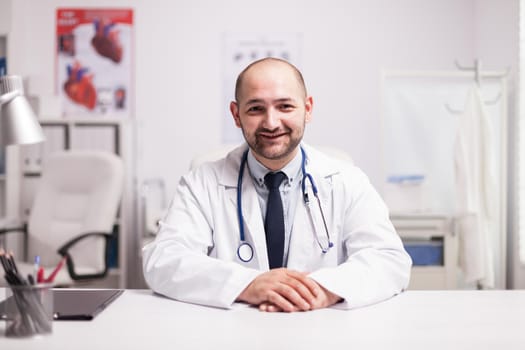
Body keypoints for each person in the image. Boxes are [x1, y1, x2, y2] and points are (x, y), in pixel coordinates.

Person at [142, 57, 411, 312]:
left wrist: (322, 290)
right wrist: (247, 284)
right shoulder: (201, 183)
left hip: (322, 330)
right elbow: (163, 260)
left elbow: (389, 260)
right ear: (236, 114)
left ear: (307, 109)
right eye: (256, 108)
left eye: (285, 106)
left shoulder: (348, 181)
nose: (271, 123)